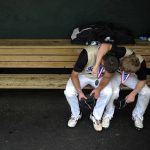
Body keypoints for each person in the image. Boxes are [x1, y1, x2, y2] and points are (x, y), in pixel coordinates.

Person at [64, 45, 119, 132]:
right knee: (69, 92)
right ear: (102, 59)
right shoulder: (87, 54)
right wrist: (79, 92)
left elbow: (107, 77)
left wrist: (99, 89)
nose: (105, 69)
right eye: (104, 66)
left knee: (108, 91)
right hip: (83, 75)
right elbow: (74, 75)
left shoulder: (113, 58)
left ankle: (96, 116)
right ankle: (76, 114)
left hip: (99, 76)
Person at [101, 52, 150, 130]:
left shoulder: (140, 63)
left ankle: (138, 116)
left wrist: (133, 94)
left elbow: (142, 80)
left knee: (146, 91)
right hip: (116, 74)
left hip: (130, 76)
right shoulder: (119, 53)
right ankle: (107, 115)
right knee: (114, 91)